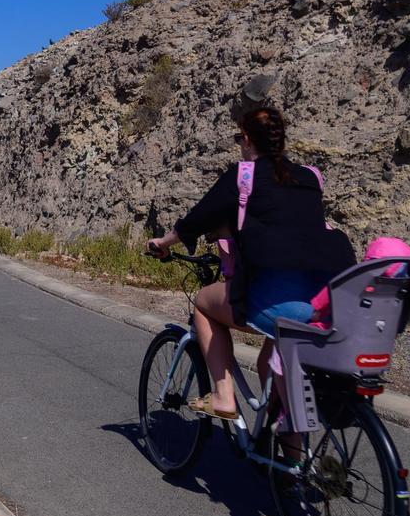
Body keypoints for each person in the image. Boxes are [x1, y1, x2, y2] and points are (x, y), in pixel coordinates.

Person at [146, 107, 354, 422]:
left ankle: (222, 396)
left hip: (277, 305)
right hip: (323, 303)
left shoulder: (243, 176)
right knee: (268, 362)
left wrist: (162, 243)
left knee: (203, 303)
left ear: (245, 139)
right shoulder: (311, 177)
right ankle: (293, 463)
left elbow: (197, 219)